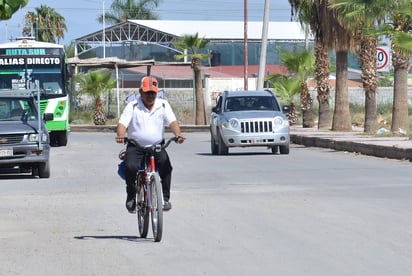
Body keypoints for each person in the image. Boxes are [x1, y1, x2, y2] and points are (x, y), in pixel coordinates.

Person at [115, 76, 185, 212]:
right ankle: (131, 195)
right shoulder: (133, 106)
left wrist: (178, 135)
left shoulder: (163, 105)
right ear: (141, 92)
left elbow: (172, 122)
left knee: (166, 166)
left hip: (156, 145)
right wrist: (120, 135)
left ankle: (164, 199)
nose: (150, 96)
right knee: (130, 167)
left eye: (153, 93)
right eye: (147, 93)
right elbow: (122, 124)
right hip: (136, 146)